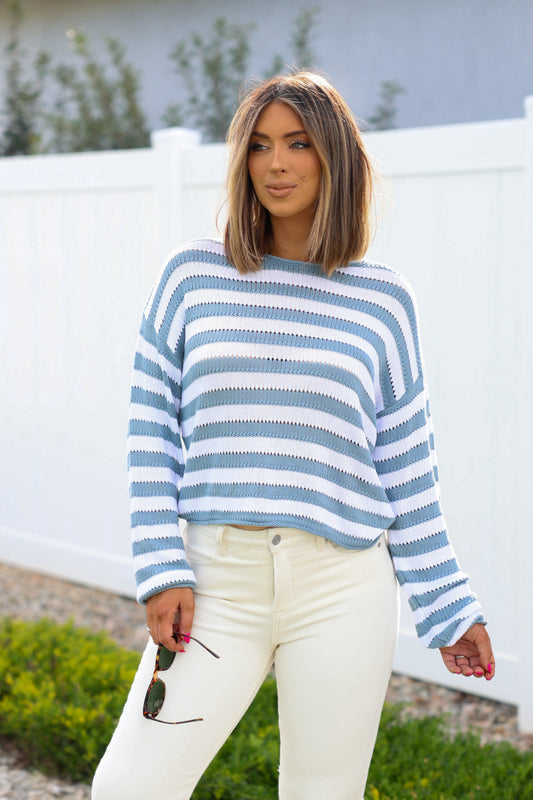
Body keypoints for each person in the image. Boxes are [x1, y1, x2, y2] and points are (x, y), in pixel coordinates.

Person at [91, 72, 495, 800]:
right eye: (260, 145)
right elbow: (150, 429)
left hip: (342, 586)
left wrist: (446, 604)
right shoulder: (191, 276)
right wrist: (160, 564)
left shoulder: (382, 301)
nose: (276, 163)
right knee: (130, 787)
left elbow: (406, 468)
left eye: (298, 144)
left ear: (334, 157)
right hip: (215, 582)